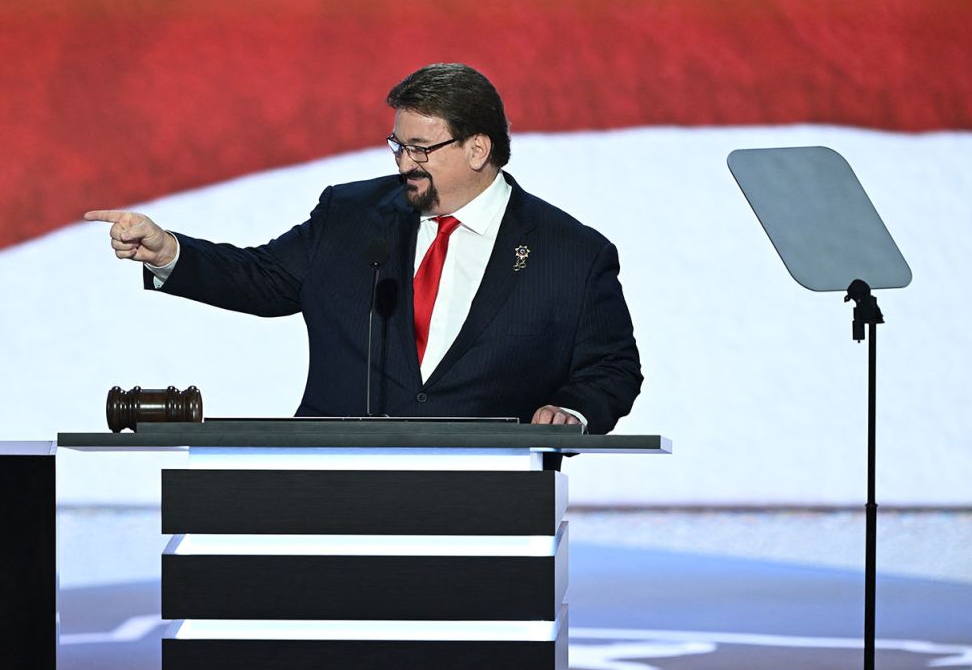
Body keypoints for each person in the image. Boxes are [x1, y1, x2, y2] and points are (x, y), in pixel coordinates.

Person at [85, 63, 642, 432]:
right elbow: (265, 278)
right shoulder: (352, 215)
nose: (402, 163)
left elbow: (612, 367)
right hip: (334, 478)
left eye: (420, 148)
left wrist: (572, 411)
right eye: (397, 144)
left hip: (488, 496)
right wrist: (168, 253)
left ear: (478, 149)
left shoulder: (570, 252)